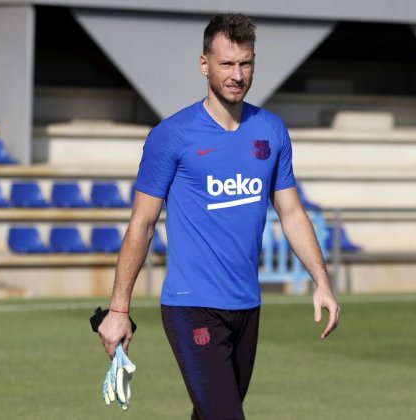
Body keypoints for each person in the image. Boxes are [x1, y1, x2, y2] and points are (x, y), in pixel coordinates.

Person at [98, 13, 340, 419]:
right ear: (204, 64)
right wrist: (118, 310)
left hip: (248, 305)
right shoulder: (172, 135)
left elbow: (293, 212)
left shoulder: (272, 131)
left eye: (245, 63)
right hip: (192, 306)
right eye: (227, 63)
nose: (237, 74)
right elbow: (141, 225)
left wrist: (322, 280)